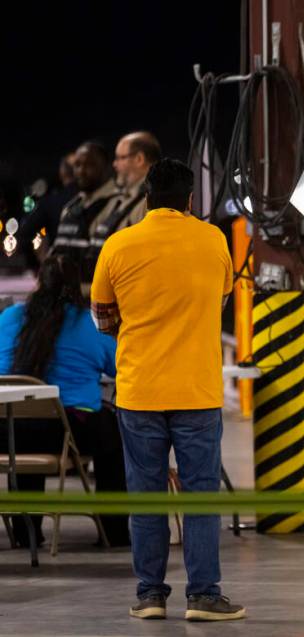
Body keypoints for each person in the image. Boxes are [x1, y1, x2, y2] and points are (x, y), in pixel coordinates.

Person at [91, 158, 244, 621]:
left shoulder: (119, 245)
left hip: (138, 391)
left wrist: (134, 330)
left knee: (146, 496)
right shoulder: (214, 239)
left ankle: (150, 595)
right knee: (201, 496)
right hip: (197, 391)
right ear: (190, 200)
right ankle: (203, 596)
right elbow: (220, 296)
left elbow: (102, 315)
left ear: (147, 197)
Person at [0, 254, 128, 547]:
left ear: (38, 283)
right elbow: (119, 366)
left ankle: (25, 532)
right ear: (79, 286)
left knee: (22, 428)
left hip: (9, 428)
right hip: (70, 430)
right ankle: (114, 531)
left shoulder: (9, 318)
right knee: (116, 436)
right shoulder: (89, 324)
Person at [84, 132, 161, 271]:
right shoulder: (121, 198)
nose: (114, 164)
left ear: (139, 159)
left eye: (120, 158)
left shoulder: (156, 200)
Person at [48, 142, 117, 277]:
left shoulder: (119, 205)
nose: (81, 171)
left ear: (107, 168)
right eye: (77, 165)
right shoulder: (70, 207)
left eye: (90, 165)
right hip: (68, 294)